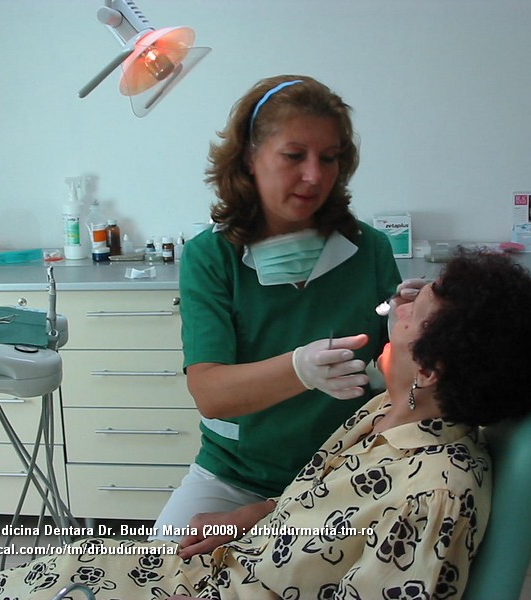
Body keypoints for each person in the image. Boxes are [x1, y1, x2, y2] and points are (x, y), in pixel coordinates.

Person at [0, 251, 531, 599]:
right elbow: (325, 505)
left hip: (233, 586)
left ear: (430, 365)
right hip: (227, 562)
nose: (398, 305)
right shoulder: (387, 412)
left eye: (414, 309)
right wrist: (253, 516)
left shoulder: (434, 492)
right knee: (53, 569)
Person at [152, 74, 403, 537]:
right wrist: (299, 369)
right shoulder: (212, 256)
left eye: (329, 158)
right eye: (294, 156)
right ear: (250, 157)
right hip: (235, 478)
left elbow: (404, 371)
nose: (314, 176)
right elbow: (210, 393)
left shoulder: (369, 250)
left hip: (345, 473)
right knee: (164, 562)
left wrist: (418, 322)